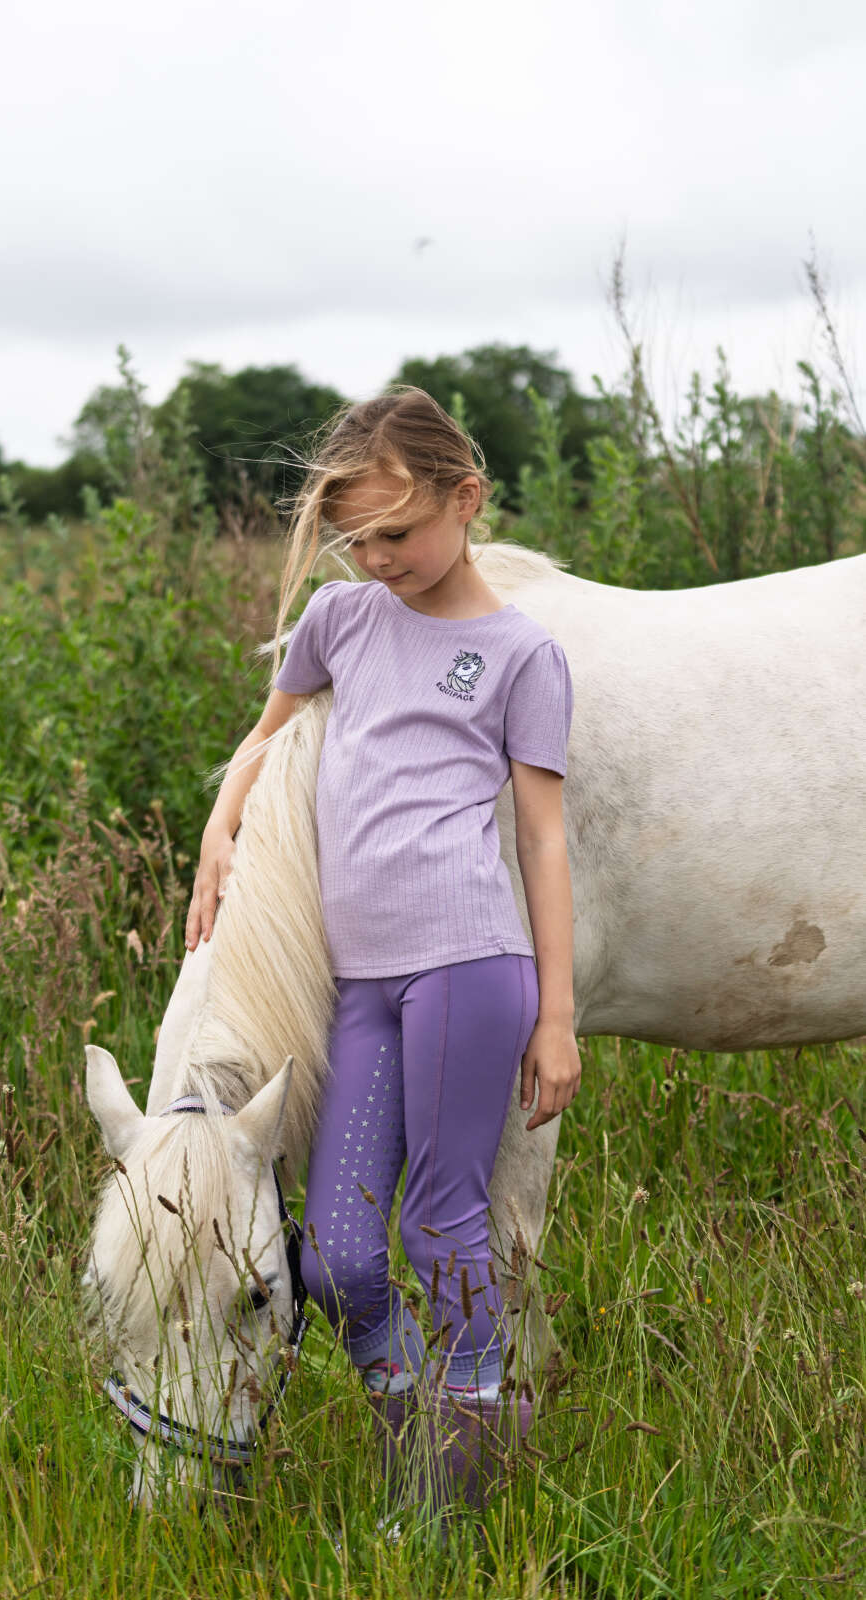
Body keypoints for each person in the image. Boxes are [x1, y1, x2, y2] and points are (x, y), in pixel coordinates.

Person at [185, 386, 580, 1513]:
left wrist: (555, 1015)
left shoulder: (517, 654)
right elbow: (265, 742)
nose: (374, 559)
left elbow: (542, 839)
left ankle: (457, 1488)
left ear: (467, 498)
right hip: (363, 984)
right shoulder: (340, 621)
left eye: (395, 534)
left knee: (439, 1220)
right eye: (354, 539)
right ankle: (426, 1431)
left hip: (468, 967)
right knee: (338, 1253)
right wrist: (220, 828)